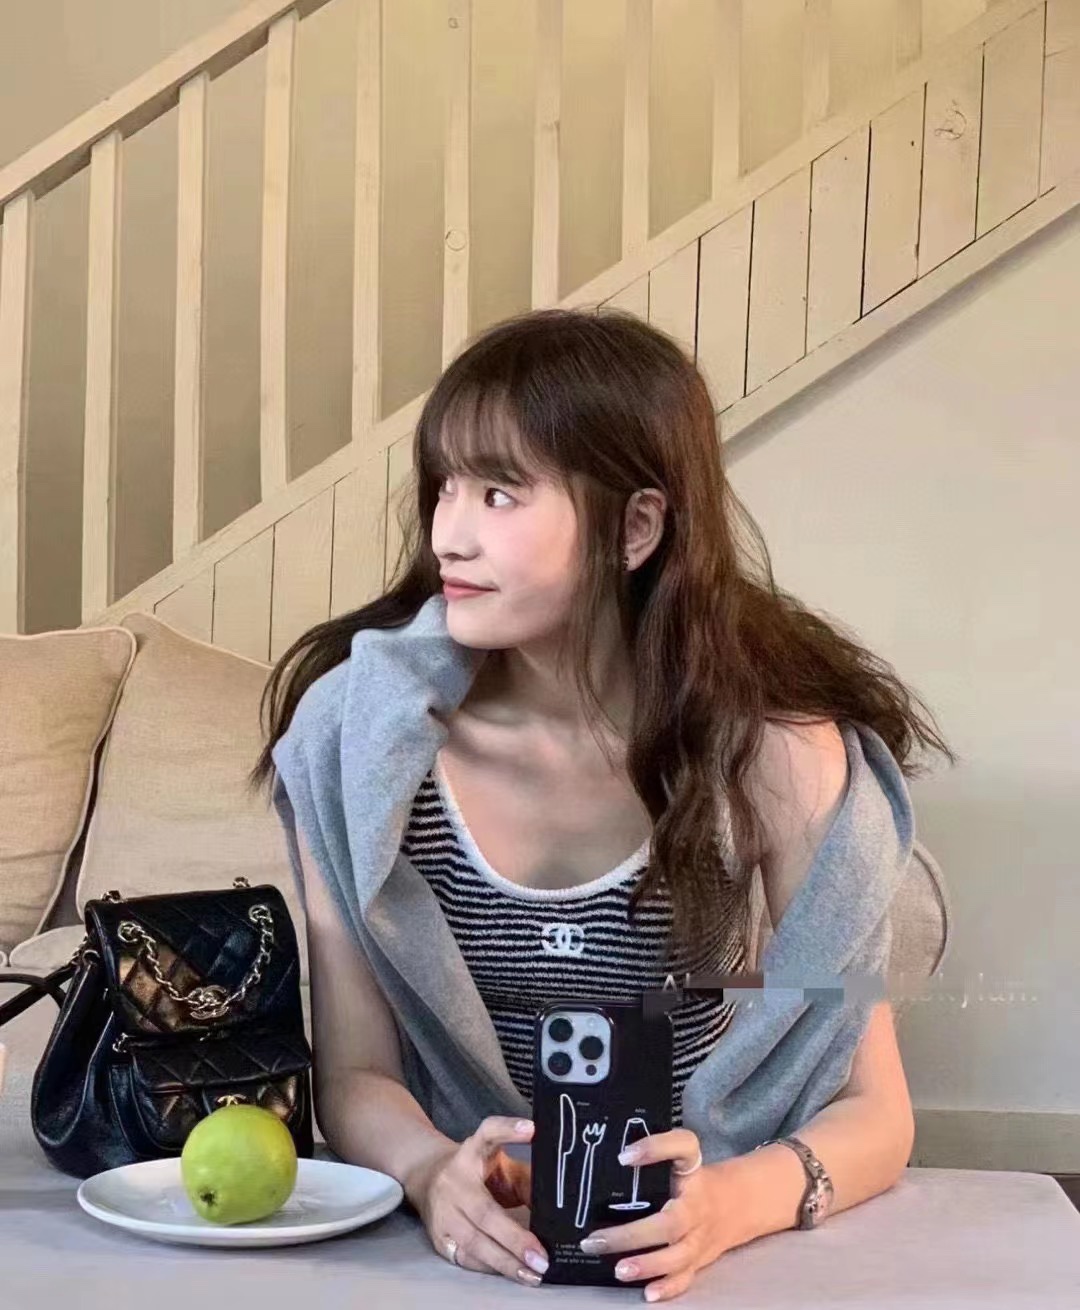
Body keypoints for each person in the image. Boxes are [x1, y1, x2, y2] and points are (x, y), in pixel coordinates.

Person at [249, 307, 953, 1302]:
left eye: (499, 493)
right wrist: (430, 1172)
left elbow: (875, 1110)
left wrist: (727, 1205)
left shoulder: (773, 751)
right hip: (472, 1253)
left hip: (700, 1237)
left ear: (636, 527)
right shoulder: (356, 739)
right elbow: (358, 1075)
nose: (449, 533)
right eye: (445, 486)